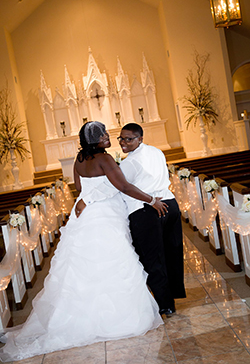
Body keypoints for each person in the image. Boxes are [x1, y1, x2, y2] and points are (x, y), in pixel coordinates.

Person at [0, 121, 165, 362]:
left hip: (85, 216)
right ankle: (114, 319)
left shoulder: (79, 160)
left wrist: (88, 198)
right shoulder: (105, 159)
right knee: (113, 261)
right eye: (105, 135)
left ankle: (81, 317)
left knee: (84, 268)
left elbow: (79, 188)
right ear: (96, 139)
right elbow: (125, 186)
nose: (109, 137)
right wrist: (152, 200)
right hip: (106, 216)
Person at [118, 123, 186, 316]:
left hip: (148, 209)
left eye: (129, 139)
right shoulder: (156, 152)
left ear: (140, 138)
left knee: (152, 258)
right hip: (170, 204)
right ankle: (172, 296)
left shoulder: (129, 163)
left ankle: (165, 304)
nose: (124, 142)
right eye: (121, 138)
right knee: (171, 253)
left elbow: (122, 188)